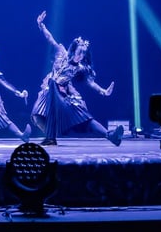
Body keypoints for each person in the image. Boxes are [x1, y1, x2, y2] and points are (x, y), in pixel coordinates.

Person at [31, 10, 124, 146]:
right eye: (79, 53)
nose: (81, 56)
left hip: (61, 95)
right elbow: (50, 39)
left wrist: (103, 91)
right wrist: (41, 25)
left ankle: (110, 135)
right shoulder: (61, 53)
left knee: (83, 116)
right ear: (74, 50)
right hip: (49, 91)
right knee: (37, 116)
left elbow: (90, 82)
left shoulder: (79, 67)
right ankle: (51, 137)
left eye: (83, 54)